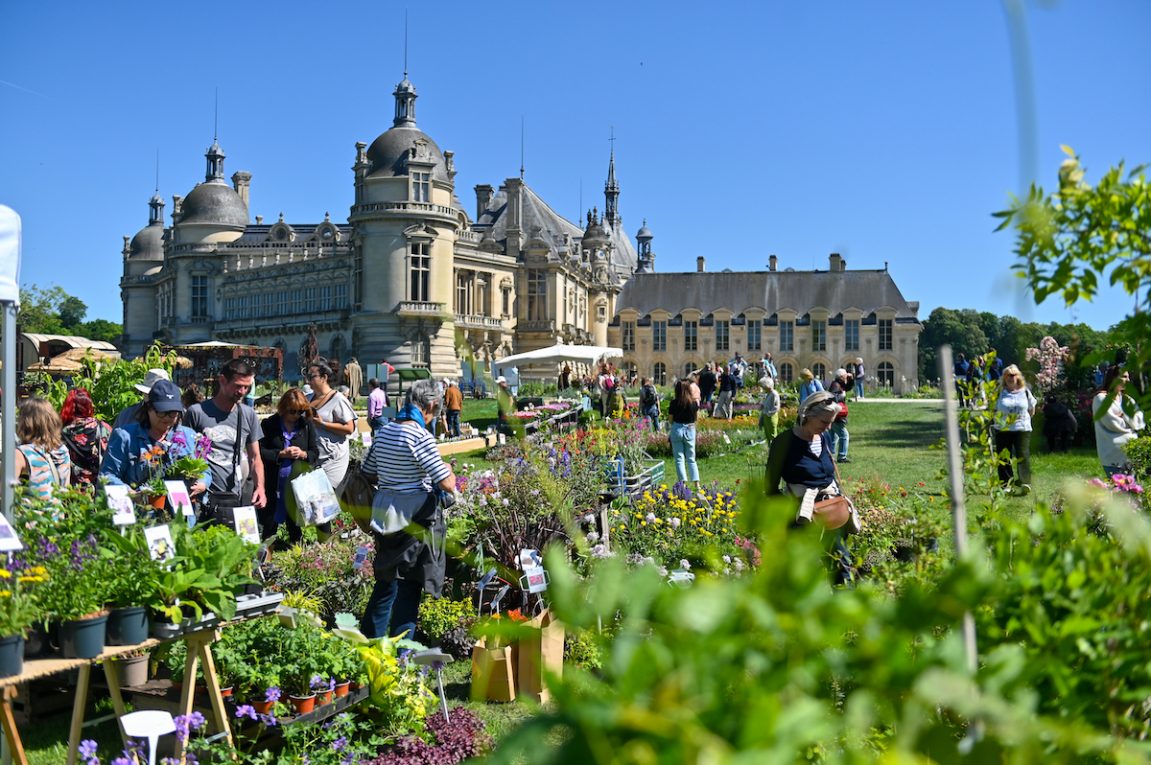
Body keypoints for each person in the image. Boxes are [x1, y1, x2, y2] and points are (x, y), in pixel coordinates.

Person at [358, 379, 456, 639]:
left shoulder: (386, 431)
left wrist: (393, 477)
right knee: (410, 587)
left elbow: (367, 473)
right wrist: (449, 471)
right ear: (432, 405)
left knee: (386, 582)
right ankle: (403, 655)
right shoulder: (419, 435)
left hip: (384, 516)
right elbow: (445, 483)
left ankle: (372, 644)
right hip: (414, 518)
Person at [765, 391, 856, 585]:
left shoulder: (823, 438)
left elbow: (828, 473)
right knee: (802, 573)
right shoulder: (784, 442)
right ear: (807, 416)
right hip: (802, 518)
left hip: (831, 513)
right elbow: (770, 488)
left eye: (831, 422)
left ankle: (842, 606)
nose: (828, 427)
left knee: (841, 564)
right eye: (824, 422)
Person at [184, 359, 266, 522]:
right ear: (222, 381)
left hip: (235, 497)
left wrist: (260, 488)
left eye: (247, 387)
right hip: (203, 497)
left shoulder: (248, 415)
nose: (242, 391)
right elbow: (185, 453)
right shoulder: (197, 413)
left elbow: (255, 457)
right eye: (237, 386)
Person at [100, 380, 210, 496]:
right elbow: (108, 475)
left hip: (181, 509)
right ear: (149, 409)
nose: (167, 418)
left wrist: (203, 483)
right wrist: (129, 493)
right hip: (140, 509)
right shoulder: (125, 437)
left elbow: (205, 469)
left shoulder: (190, 436)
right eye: (161, 412)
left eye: (173, 413)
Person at [259, 389, 320, 542]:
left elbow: (315, 453)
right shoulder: (269, 424)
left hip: (297, 485)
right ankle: (266, 556)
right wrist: (280, 454)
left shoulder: (306, 425)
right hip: (273, 483)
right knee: (269, 524)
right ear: (284, 408)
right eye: (293, 411)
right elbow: (259, 452)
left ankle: (296, 554)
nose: (296, 415)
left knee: (295, 526)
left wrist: (303, 454)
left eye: (301, 411)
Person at [306, 358, 358, 494]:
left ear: (324, 377)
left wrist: (322, 424)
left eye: (312, 377)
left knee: (325, 500)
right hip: (313, 457)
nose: (308, 381)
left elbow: (349, 428)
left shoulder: (338, 399)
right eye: (307, 376)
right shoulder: (309, 398)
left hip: (332, 459)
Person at [991, 364, 1037, 492]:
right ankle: (1006, 485)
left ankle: (1025, 482)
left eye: (1013, 375)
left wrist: (1023, 420)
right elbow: (993, 409)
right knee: (1004, 457)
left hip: (1022, 429)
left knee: (1023, 455)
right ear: (1004, 377)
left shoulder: (1025, 391)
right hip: (1003, 429)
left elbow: (1031, 409)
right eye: (1007, 375)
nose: (1010, 377)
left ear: (1018, 376)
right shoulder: (999, 392)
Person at [15, 397, 72, 500]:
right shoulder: (62, 451)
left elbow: (5, 491)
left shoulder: (21, 454)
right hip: (56, 514)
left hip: (32, 515)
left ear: (26, 423)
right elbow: (65, 490)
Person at [1092, 366, 1145, 477]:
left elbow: (1139, 422)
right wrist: (1130, 421)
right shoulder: (1101, 399)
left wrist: (1123, 415)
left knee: (1132, 490)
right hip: (1112, 453)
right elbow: (1112, 424)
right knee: (1118, 490)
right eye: (1125, 377)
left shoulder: (1128, 400)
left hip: (1131, 453)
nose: (1128, 380)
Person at [60, 388, 111, 488]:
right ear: (89, 406)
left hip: (71, 489)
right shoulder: (102, 428)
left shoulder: (60, 432)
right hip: (98, 488)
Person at [668, 379, 701, 489]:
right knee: (691, 458)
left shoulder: (674, 403)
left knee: (679, 458)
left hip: (677, 428)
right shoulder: (694, 403)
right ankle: (697, 483)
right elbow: (696, 418)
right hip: (690, 429)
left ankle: (683, 483)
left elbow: (670, 420)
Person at [828, 369, 851, 463]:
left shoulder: (839, 384)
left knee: (833, 436)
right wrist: (841, 398)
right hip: (836, 415)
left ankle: (830, 456)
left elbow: (848, 387)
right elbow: (833, 397)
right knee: (844, 435)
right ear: (841, 377)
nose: (846, 377)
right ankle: (842, 456)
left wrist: (851, 379)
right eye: (845, 376)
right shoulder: (836, 385)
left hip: (834, 414)